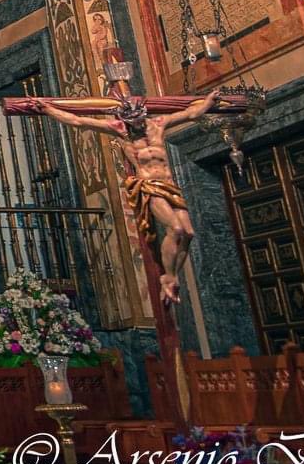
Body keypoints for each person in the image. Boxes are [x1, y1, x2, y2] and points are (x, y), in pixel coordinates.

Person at [22, 86, 223, 304]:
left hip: (169, 184)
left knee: (189, 233)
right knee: (176, 228)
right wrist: (48, 109)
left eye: (139, 121)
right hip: (149, 186)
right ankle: (168, 276)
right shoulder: (119, 129)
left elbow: (191, 113)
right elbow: (77, 121)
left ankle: (172, 274)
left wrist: (209, 101)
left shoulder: (159, 124)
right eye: (131, 122)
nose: (136, 125)